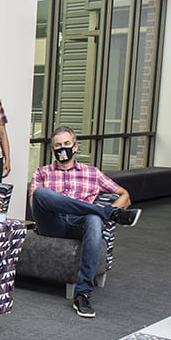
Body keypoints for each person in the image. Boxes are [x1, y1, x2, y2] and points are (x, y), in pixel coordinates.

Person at [29, 126, 142, 318]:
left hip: (77, 224)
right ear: (52, 150)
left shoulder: (92, 173)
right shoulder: (42, 173)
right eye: (57, 145)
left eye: (66, 144)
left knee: (94, 219)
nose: (62, 148)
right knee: (41, 193)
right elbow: (35, 203)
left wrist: (113, 206)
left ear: (75, 146)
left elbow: (125, 195)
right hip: (51, 223)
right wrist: (110, 210)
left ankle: (82, 294)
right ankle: (109, 213)